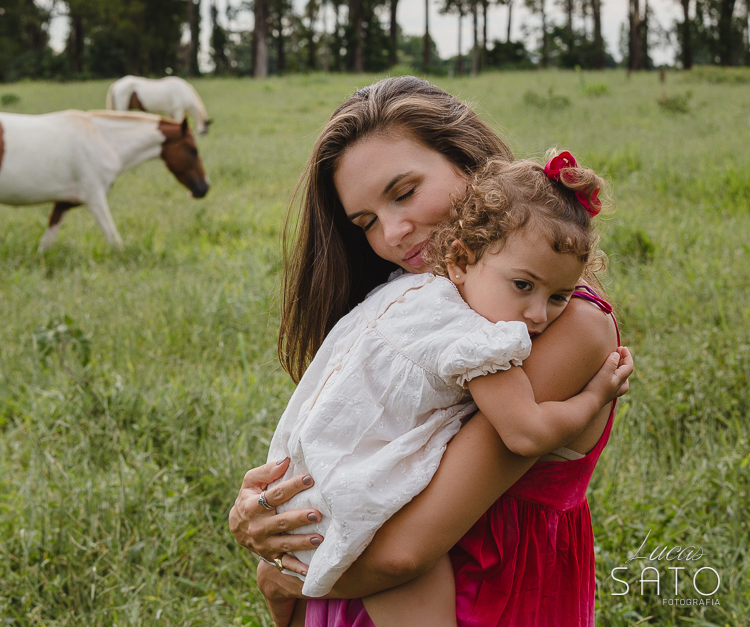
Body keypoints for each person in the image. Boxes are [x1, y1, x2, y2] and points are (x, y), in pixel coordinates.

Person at [228, 76, 631, 627]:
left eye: (405, 191)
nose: (393, 233)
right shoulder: (421, 308)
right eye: (365, 222)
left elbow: (403, 554)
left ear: (470, 164)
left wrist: (285, 571)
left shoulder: (568, 324)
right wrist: (262, 518)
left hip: (487, 598)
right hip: (364, 589)